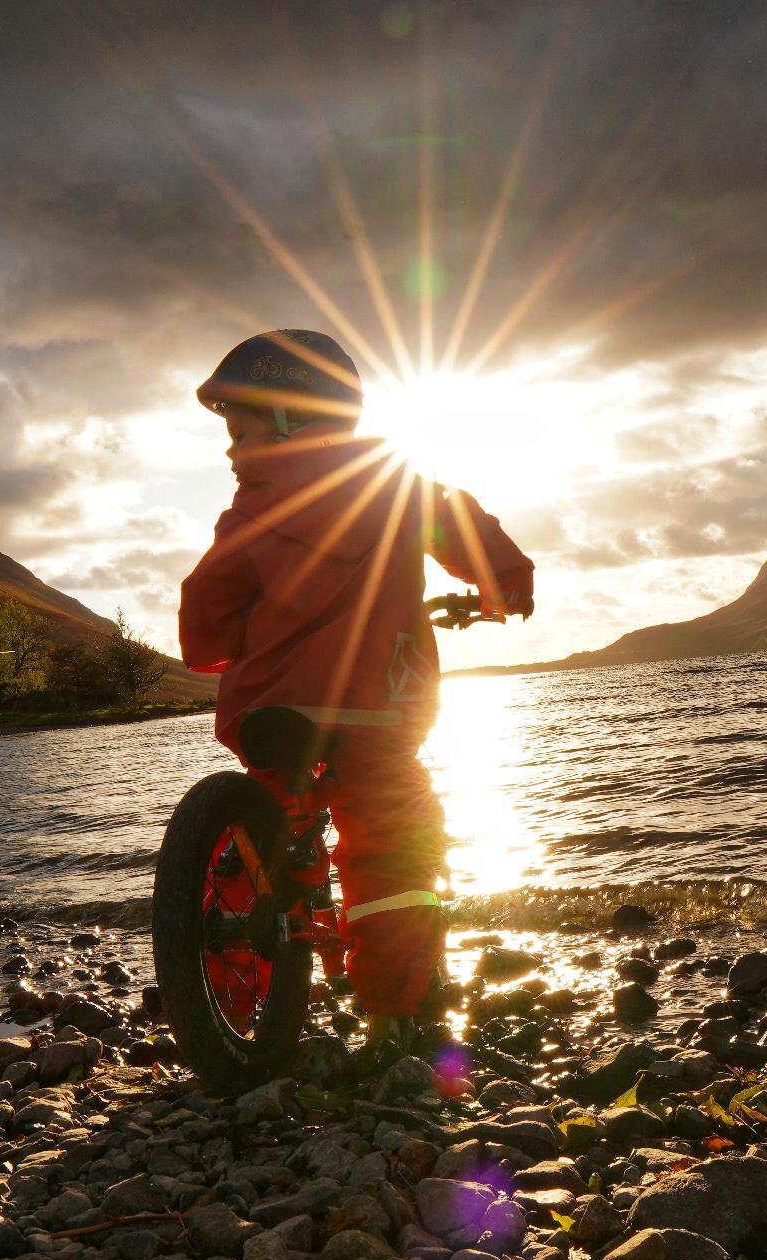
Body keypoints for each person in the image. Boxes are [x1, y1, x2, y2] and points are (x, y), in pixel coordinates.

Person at [178, 329, 534, 1054]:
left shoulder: (252, 511)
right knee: (392, 846)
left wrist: (217, 646)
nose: (230, 450)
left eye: (239, 432)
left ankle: (233, 999)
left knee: (260, 836)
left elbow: (205, 607)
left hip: (275, 707)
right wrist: (505, 586)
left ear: (289, 422)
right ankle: (392, 1008)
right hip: (380, 704)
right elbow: (465, 524)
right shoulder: (397, 486)